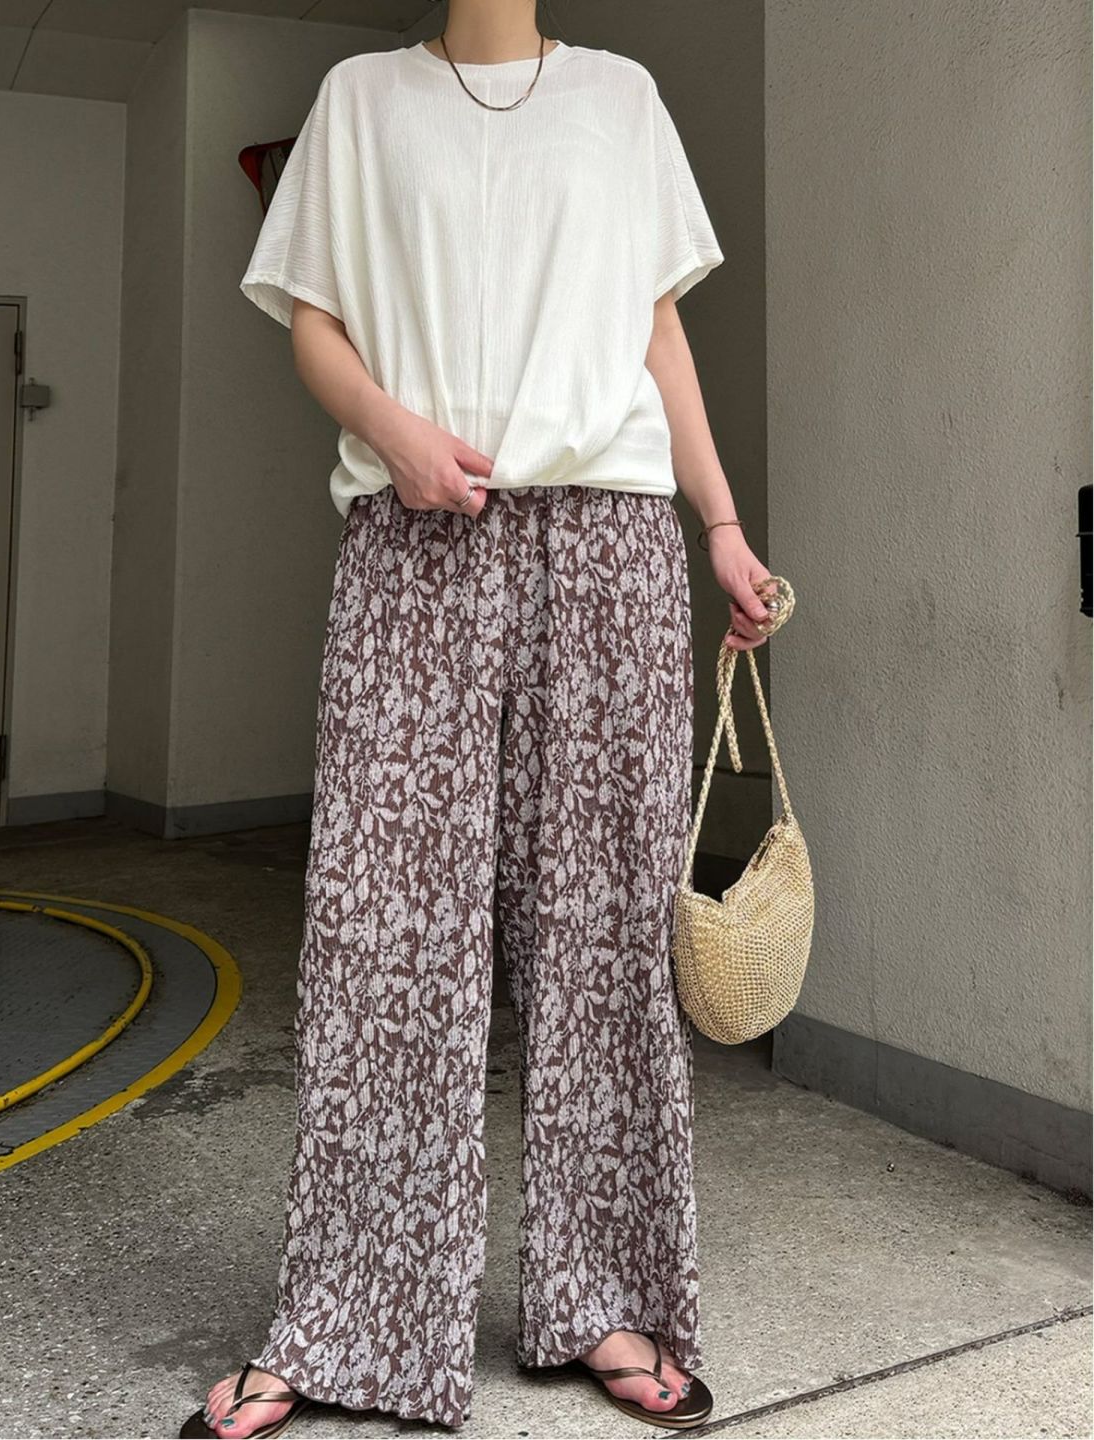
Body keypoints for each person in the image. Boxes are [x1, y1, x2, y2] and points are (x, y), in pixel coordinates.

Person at [183, 3, 772, 1435]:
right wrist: (395, 434)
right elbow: (314, 322)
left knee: (607, 930)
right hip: (415, 531)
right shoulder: (361, 96)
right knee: (383, 931)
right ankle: (346, 1323)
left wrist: (722, 524)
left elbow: (657, 328)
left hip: (611, 537)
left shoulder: (622, 98)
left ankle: (606, 1298)